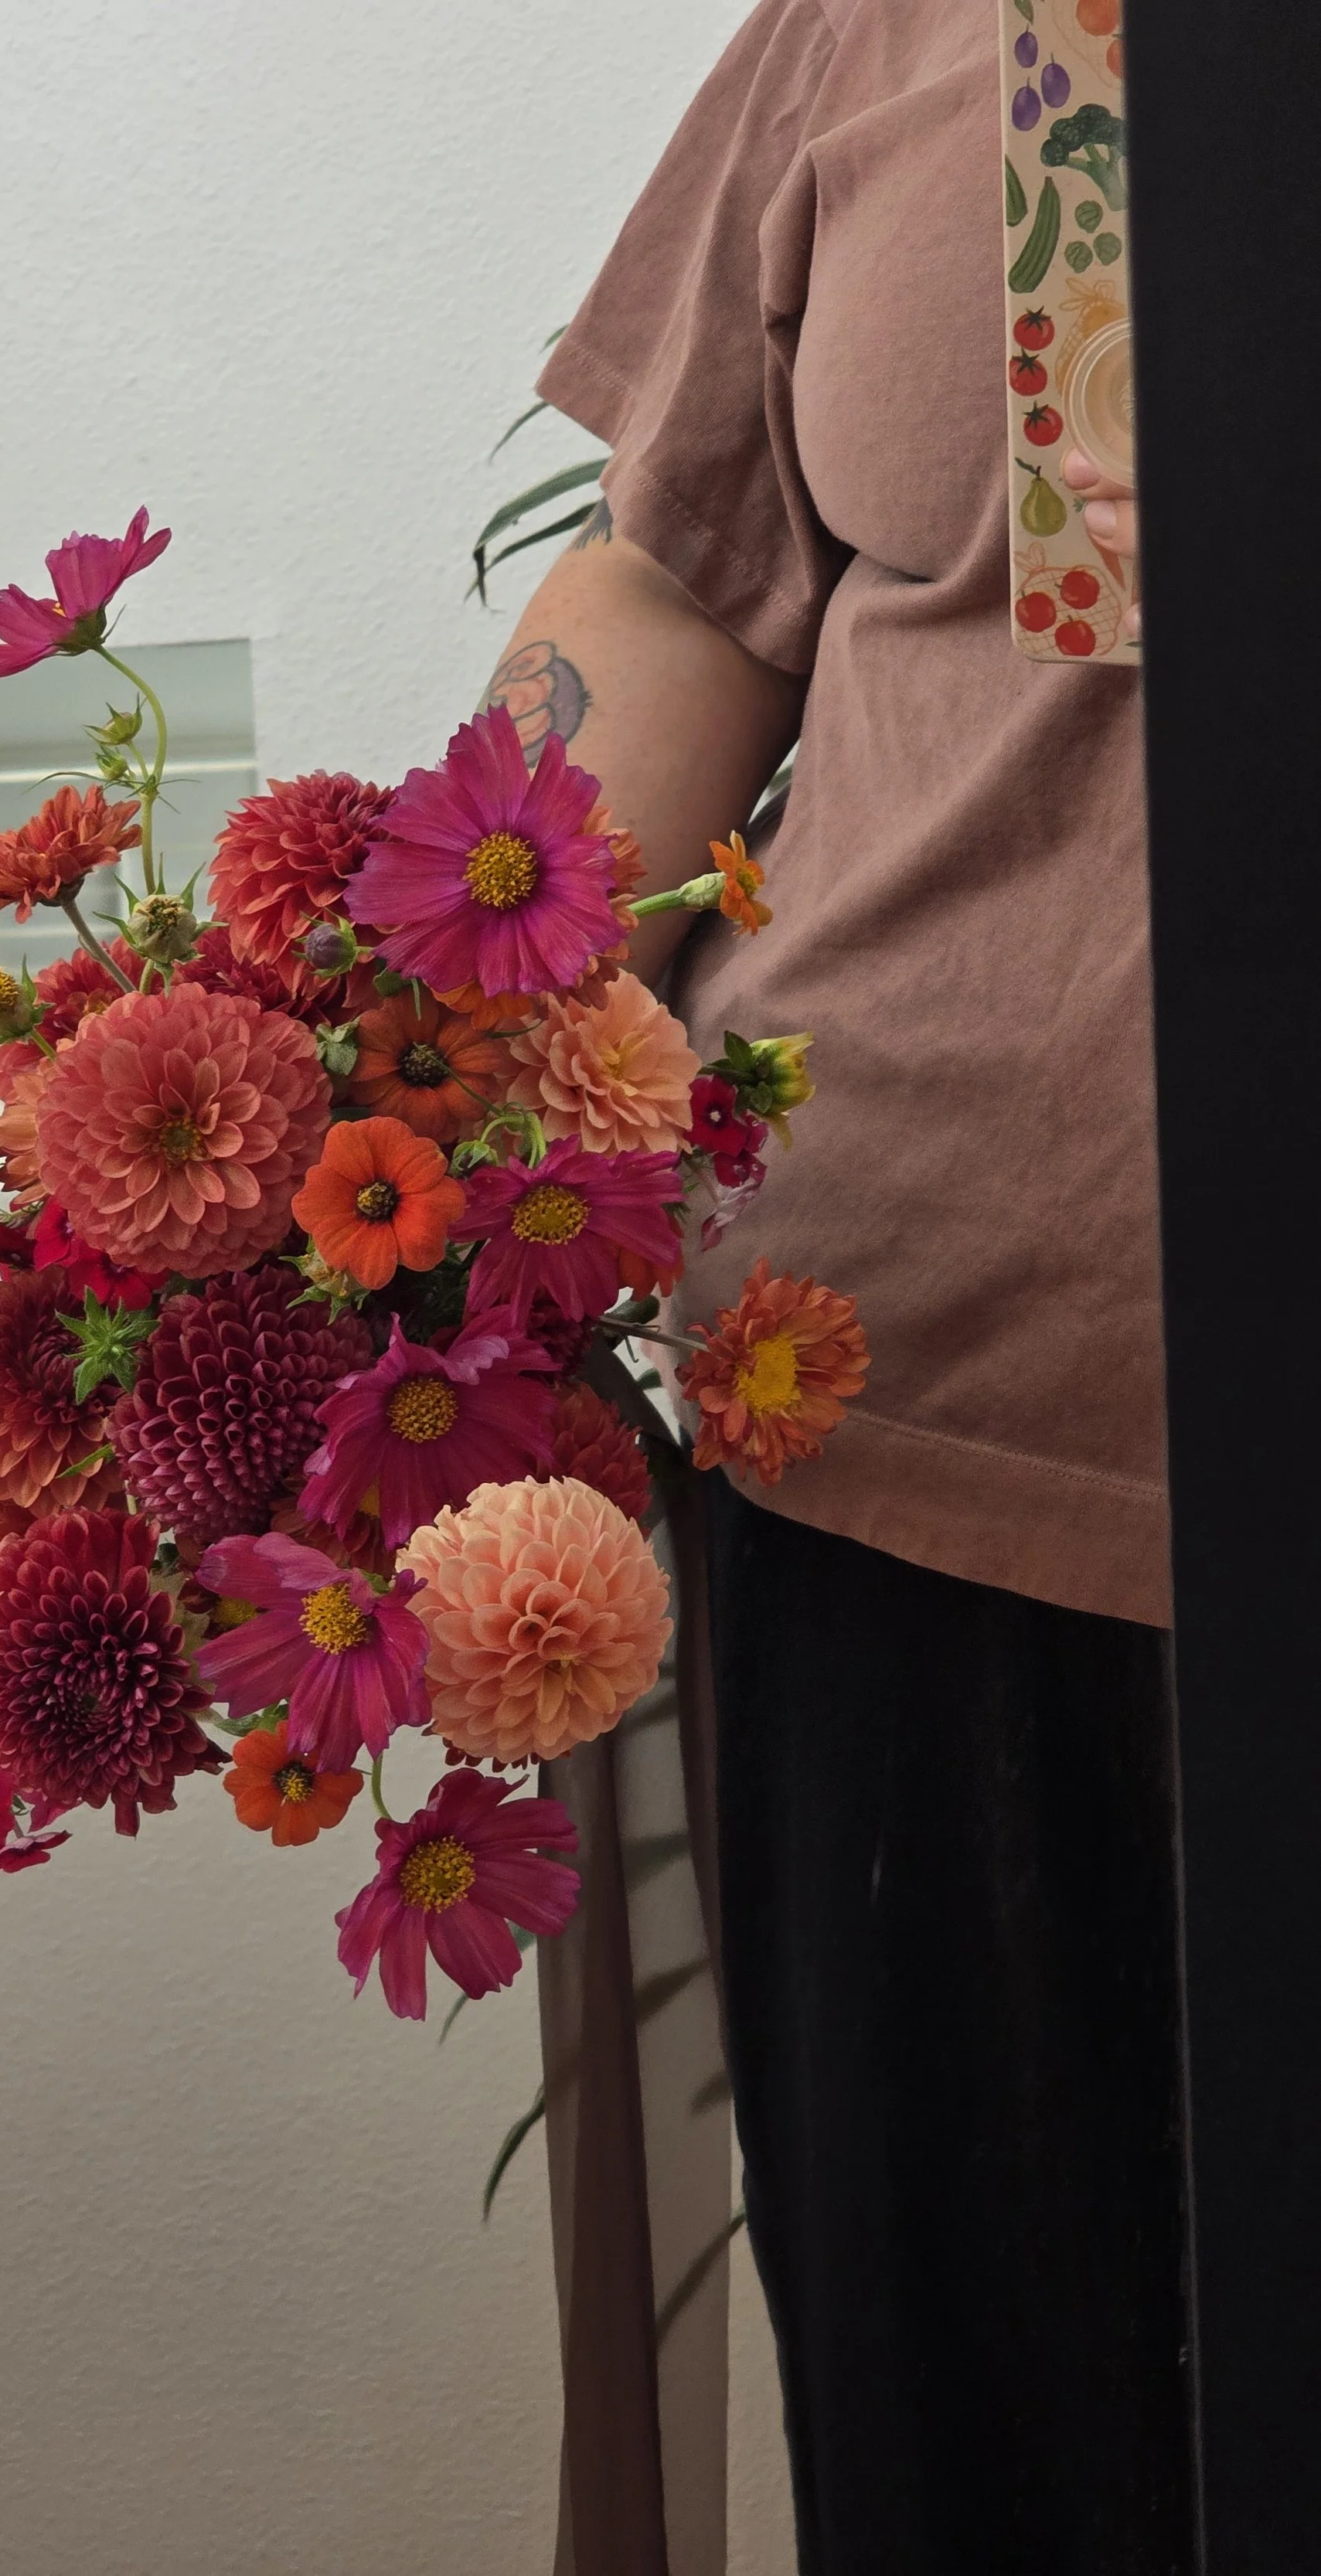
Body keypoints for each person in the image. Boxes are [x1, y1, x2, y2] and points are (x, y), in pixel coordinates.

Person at [489, 5, 1188, 2572]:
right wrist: (359, 1117)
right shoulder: (889, 23)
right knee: (965, 2455)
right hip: (876, 1468)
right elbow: (681, 590)